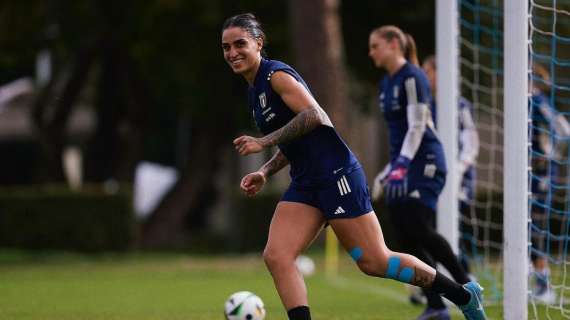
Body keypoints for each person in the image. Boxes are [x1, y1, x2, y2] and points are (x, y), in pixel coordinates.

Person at [222, 13, 486, 320]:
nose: (232, 53)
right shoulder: (254, 91)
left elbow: (313, 116)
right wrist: (264, 171)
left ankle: (463, 295)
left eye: (239, 44)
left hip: (336, 176)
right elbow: (294, 142)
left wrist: (263, 141)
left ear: (258, 43)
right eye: (226, 47)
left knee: (375, 262)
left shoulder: (275, 76)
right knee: (277, 256)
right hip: (307, 182)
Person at [368, 26, 481, 320]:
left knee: (419, 227)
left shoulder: (413, 77)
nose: (371, 52)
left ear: (394, 45)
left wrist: (402, 163)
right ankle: (436, 306)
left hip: (426, 161)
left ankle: (467, 285)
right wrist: (387, 171)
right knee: (405, 239)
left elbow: (418, 126)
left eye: (375, 45)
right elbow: (398, 133)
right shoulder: (385, 84)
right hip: (402, 167)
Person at [422, 55, 480, 277]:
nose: (425, 77)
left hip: (460, 178)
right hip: (434, 177)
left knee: (458, 227)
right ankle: (437, 278)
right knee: (433, 226)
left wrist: (458, 168)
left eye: (428, 72)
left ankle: (466, 276)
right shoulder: (427, 105)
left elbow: (471, 142)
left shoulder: (460, 105)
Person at [529, 63, 570, 303]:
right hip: (530, 172)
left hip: (542, 173)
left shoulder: (537, 101)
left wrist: (550, 155)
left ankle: (544, 285)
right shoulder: (527, 102)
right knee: (527, 224)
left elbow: (564, 130)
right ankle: (536, 279)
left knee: (536, 225)